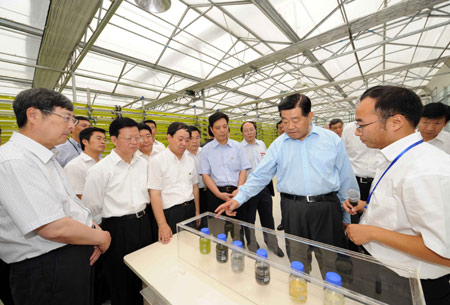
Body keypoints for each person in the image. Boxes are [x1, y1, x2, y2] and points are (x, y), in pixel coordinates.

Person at [215, 93, 358, 277]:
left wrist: (346, 216)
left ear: (310, 116)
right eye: (284, 120)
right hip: (293, 209)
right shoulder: (278, 145)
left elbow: (346, 178)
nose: (289, 126)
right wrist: (238, 199)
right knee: (298, 262)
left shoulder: (331, 140)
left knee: (333, 264)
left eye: (296, 120)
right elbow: (260, 176)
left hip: (327, 208)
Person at [0, 88, 111, 305]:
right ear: (33, 115)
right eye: (66, 118)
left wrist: (91, 230)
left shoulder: (47, 157)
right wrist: (101, 237)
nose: (72, 126)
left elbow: (69, 205)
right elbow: (52, 227)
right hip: (46, 268)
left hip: (67, 257)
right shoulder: (15, 161)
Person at [344, 86, 450, 305]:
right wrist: (368, 207)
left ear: (395, 122)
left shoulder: (425, 171)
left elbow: (444, 252)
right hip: (387, 272)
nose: (357, 132)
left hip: (412, 285)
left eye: (361, 124)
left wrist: (372, 232)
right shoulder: (396, 157)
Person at [82, 117, 152, 305]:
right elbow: (91, 208)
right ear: (114, 139)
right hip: (116, 229)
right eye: (128, 138)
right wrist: (99, 235)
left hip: (144, 223)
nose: (135, 142)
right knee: (120, 280)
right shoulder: (100, 171)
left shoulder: (144, 163)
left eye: (137, 138)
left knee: (144, 275)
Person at [199, 111, 251, 241]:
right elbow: (205, 175)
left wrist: (239, 189)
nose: (222, 130)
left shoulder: (238, 147)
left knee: (238, 231)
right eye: (217, 128)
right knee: (218, 232)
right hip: (216, 194)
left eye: (224, 126)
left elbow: (243, 170)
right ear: (211, 129)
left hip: (236, 193)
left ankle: (238, 251)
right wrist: (218, 194)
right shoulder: (206, 150)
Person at [148, 122, 200, 244]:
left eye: (187, 140)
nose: (184, 144)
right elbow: (155, 194)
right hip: (170, 214)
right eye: (180, 139)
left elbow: (195, 187)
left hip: (190, 210)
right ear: (169, 137)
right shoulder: (157, 161)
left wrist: (197, 212)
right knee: (171, 249)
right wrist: (162, 224)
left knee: (191, 245)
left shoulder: (190, 160)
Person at [240, 121, 284, 257]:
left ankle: (272, 244)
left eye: (251, 129)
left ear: (255, 130)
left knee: (268, 218)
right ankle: (252, 245)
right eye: (246, 130)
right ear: (242, 133)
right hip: (249, 188)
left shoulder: (262, 145)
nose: (249, 132)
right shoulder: (239, 148)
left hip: (264, 187)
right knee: (250, 219)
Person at [341, 121, 378, 252]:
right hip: (354, 181)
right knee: (352, 218)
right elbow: (342, 156)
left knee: (377, 218)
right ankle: (353, 251)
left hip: (378, 182)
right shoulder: (349, 129)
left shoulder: (385, 129)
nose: (358, 132)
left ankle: (372, 251)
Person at [64, 127, 107, 199]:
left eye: (105, 139)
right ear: (85, 142)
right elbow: (77, 196)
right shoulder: (75, 166)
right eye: (98, 138)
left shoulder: (105, 163)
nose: (103, 142)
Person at [185, 125, 207, 217]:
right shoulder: (183, 156)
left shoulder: (205, 152)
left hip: (207, 192)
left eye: (197, 138)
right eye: (191, 138)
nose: (195, 141)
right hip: (191, 194)